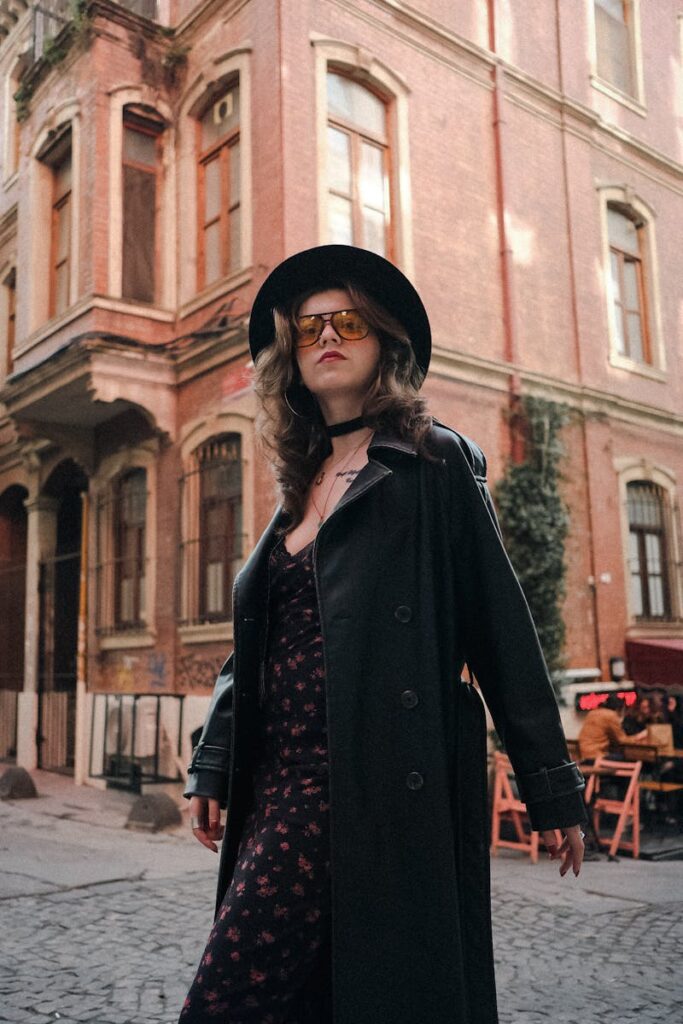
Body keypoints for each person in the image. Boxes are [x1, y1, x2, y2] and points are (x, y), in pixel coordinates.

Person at [178, 245, 588, 1024]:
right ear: (288, 357)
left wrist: (549, 785)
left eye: (349, 322)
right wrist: (214, 766)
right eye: (307, 328)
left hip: (366, 784)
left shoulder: (432, 463)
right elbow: (258, 644)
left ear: (385, 343)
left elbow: (499, 625)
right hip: (276, 785)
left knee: (228, 1001)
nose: (327, 336)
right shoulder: (297, 486)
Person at [578, 693, 647, 762]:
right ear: (619, 708)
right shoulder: (611, 715)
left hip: (584, 755)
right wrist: (640, 736)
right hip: (597, 756)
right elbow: (622, 741)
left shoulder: (592, 713)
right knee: (631, 759)